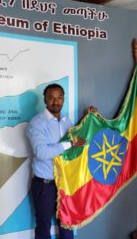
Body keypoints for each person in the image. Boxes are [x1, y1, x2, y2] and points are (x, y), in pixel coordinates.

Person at [26, 83, 86, 239]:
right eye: (51, 98)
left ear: (63, 99)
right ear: (45, 100)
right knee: (44, 228)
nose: (55, 102)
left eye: (59, 98)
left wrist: (89, 118)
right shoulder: (37, 123)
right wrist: (69, 144)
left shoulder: (67, 122)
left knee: (67, 226)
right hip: (45, 186)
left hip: (65, 184)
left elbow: (77, 143)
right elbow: (42, 152)